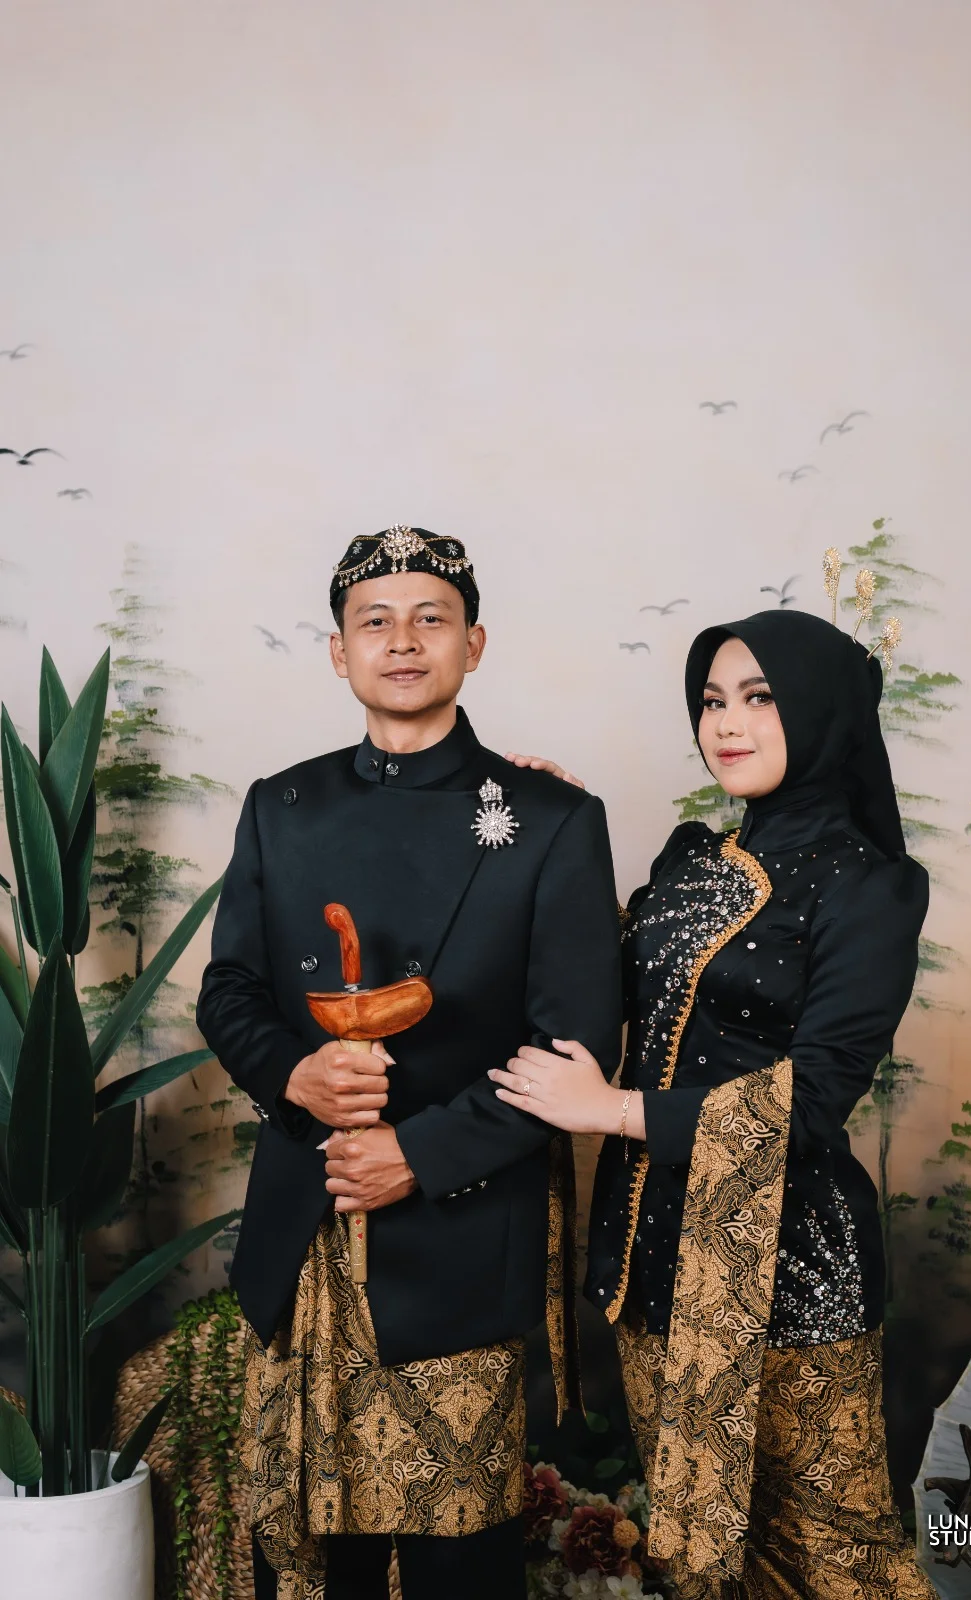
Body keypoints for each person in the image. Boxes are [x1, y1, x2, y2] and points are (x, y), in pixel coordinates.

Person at [197, 526, 621, 1600]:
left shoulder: (553, 819)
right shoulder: (280, 805)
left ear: (473, 644)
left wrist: (418, 1155)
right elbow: (229, 989)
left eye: (430, 618)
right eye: (374, 621)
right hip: (303, 1233)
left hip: (460, 1236)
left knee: (457, 1569)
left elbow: (576, 1046)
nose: (402, 641)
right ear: (338, 652)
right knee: (306, 1564)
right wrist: (294, 1074)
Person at [492, 606, 940, 1598]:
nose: (727, 723)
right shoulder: (693, 861)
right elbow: (613, 987)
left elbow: (814, 1099)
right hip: (653, 1256)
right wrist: (561, 840)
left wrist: (610, 1112)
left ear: (819, 710)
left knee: (836, 1558)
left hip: (789, 1269)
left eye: (760, 697)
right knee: (705, 1563)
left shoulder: (869, 887)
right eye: (711, 700)